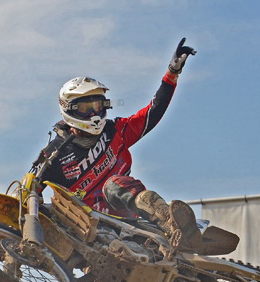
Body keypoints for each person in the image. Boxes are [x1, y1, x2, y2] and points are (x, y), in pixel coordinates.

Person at [33, 38, 202, 251]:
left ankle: (171, 223)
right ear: (69, 109)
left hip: (128, 219)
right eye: (86, 108)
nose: (94, 114)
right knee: (48, 213)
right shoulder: (54, 153)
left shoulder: (116, 130)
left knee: (113, 184)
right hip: (86, 230)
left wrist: (172, 73)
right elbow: (30, 190)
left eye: (98, 106)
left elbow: (152, 112)